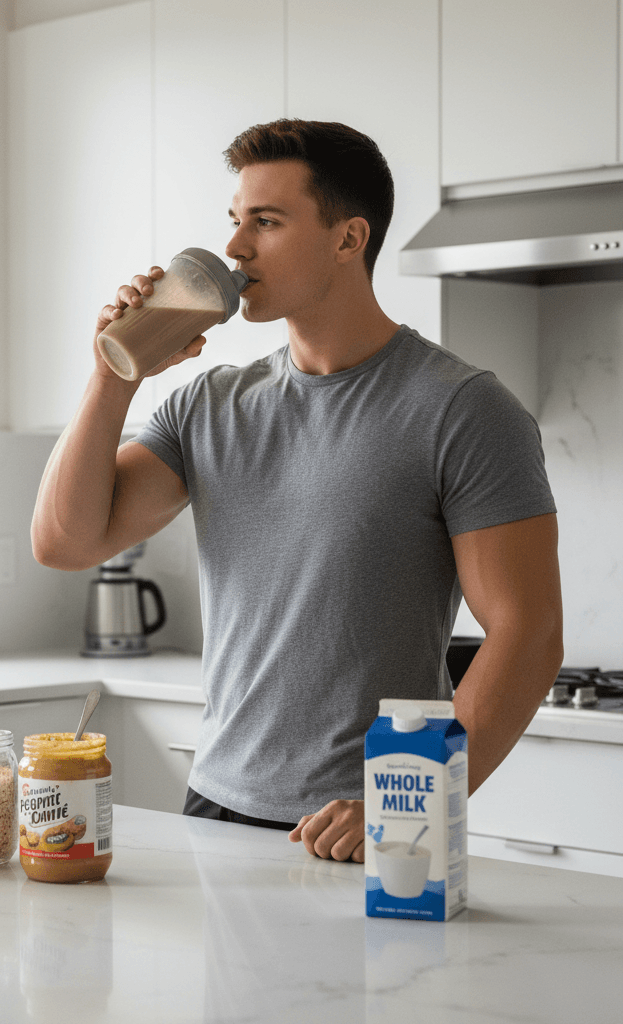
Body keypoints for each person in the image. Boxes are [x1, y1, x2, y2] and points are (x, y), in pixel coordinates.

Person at [31, 118, 563, 862]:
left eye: (267, 222)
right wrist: (111, 375)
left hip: (362, 825)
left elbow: (528, 631)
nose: (237, 249)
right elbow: (66, 542)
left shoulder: (462, 409)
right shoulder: (208, 405)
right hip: (212, 805)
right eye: (235, 221)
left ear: (349, 239)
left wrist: (403, 798)